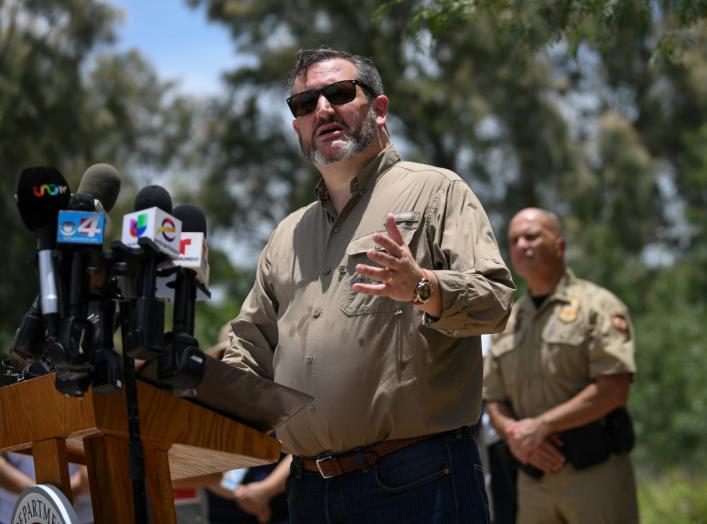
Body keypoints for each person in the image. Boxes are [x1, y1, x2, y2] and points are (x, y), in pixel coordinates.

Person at [222, 46, 515, 523]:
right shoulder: (287, 234)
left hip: (416, 481)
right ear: (296, 126)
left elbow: (496, 303)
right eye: (304, 104)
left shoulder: (437, 191)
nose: (322, 109)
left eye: (339, 93)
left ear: (379, 109)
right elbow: (249, 345)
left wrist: (422, 286)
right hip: (309, 492)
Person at [483, 208, 639, 524]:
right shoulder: (509, 321)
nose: (522, 245)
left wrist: (542, 426)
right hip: (532, 480)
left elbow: (613, 390)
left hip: (594, 473)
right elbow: (494, 399)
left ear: (560, 245)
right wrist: (514, 434)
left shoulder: (597, 307)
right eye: (514, 240)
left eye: (532, 236)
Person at [0, 452, 93, 524]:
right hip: (14, 515)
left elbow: (88, 473)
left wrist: (42, 495)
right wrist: (41, 495)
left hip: (81, 516)